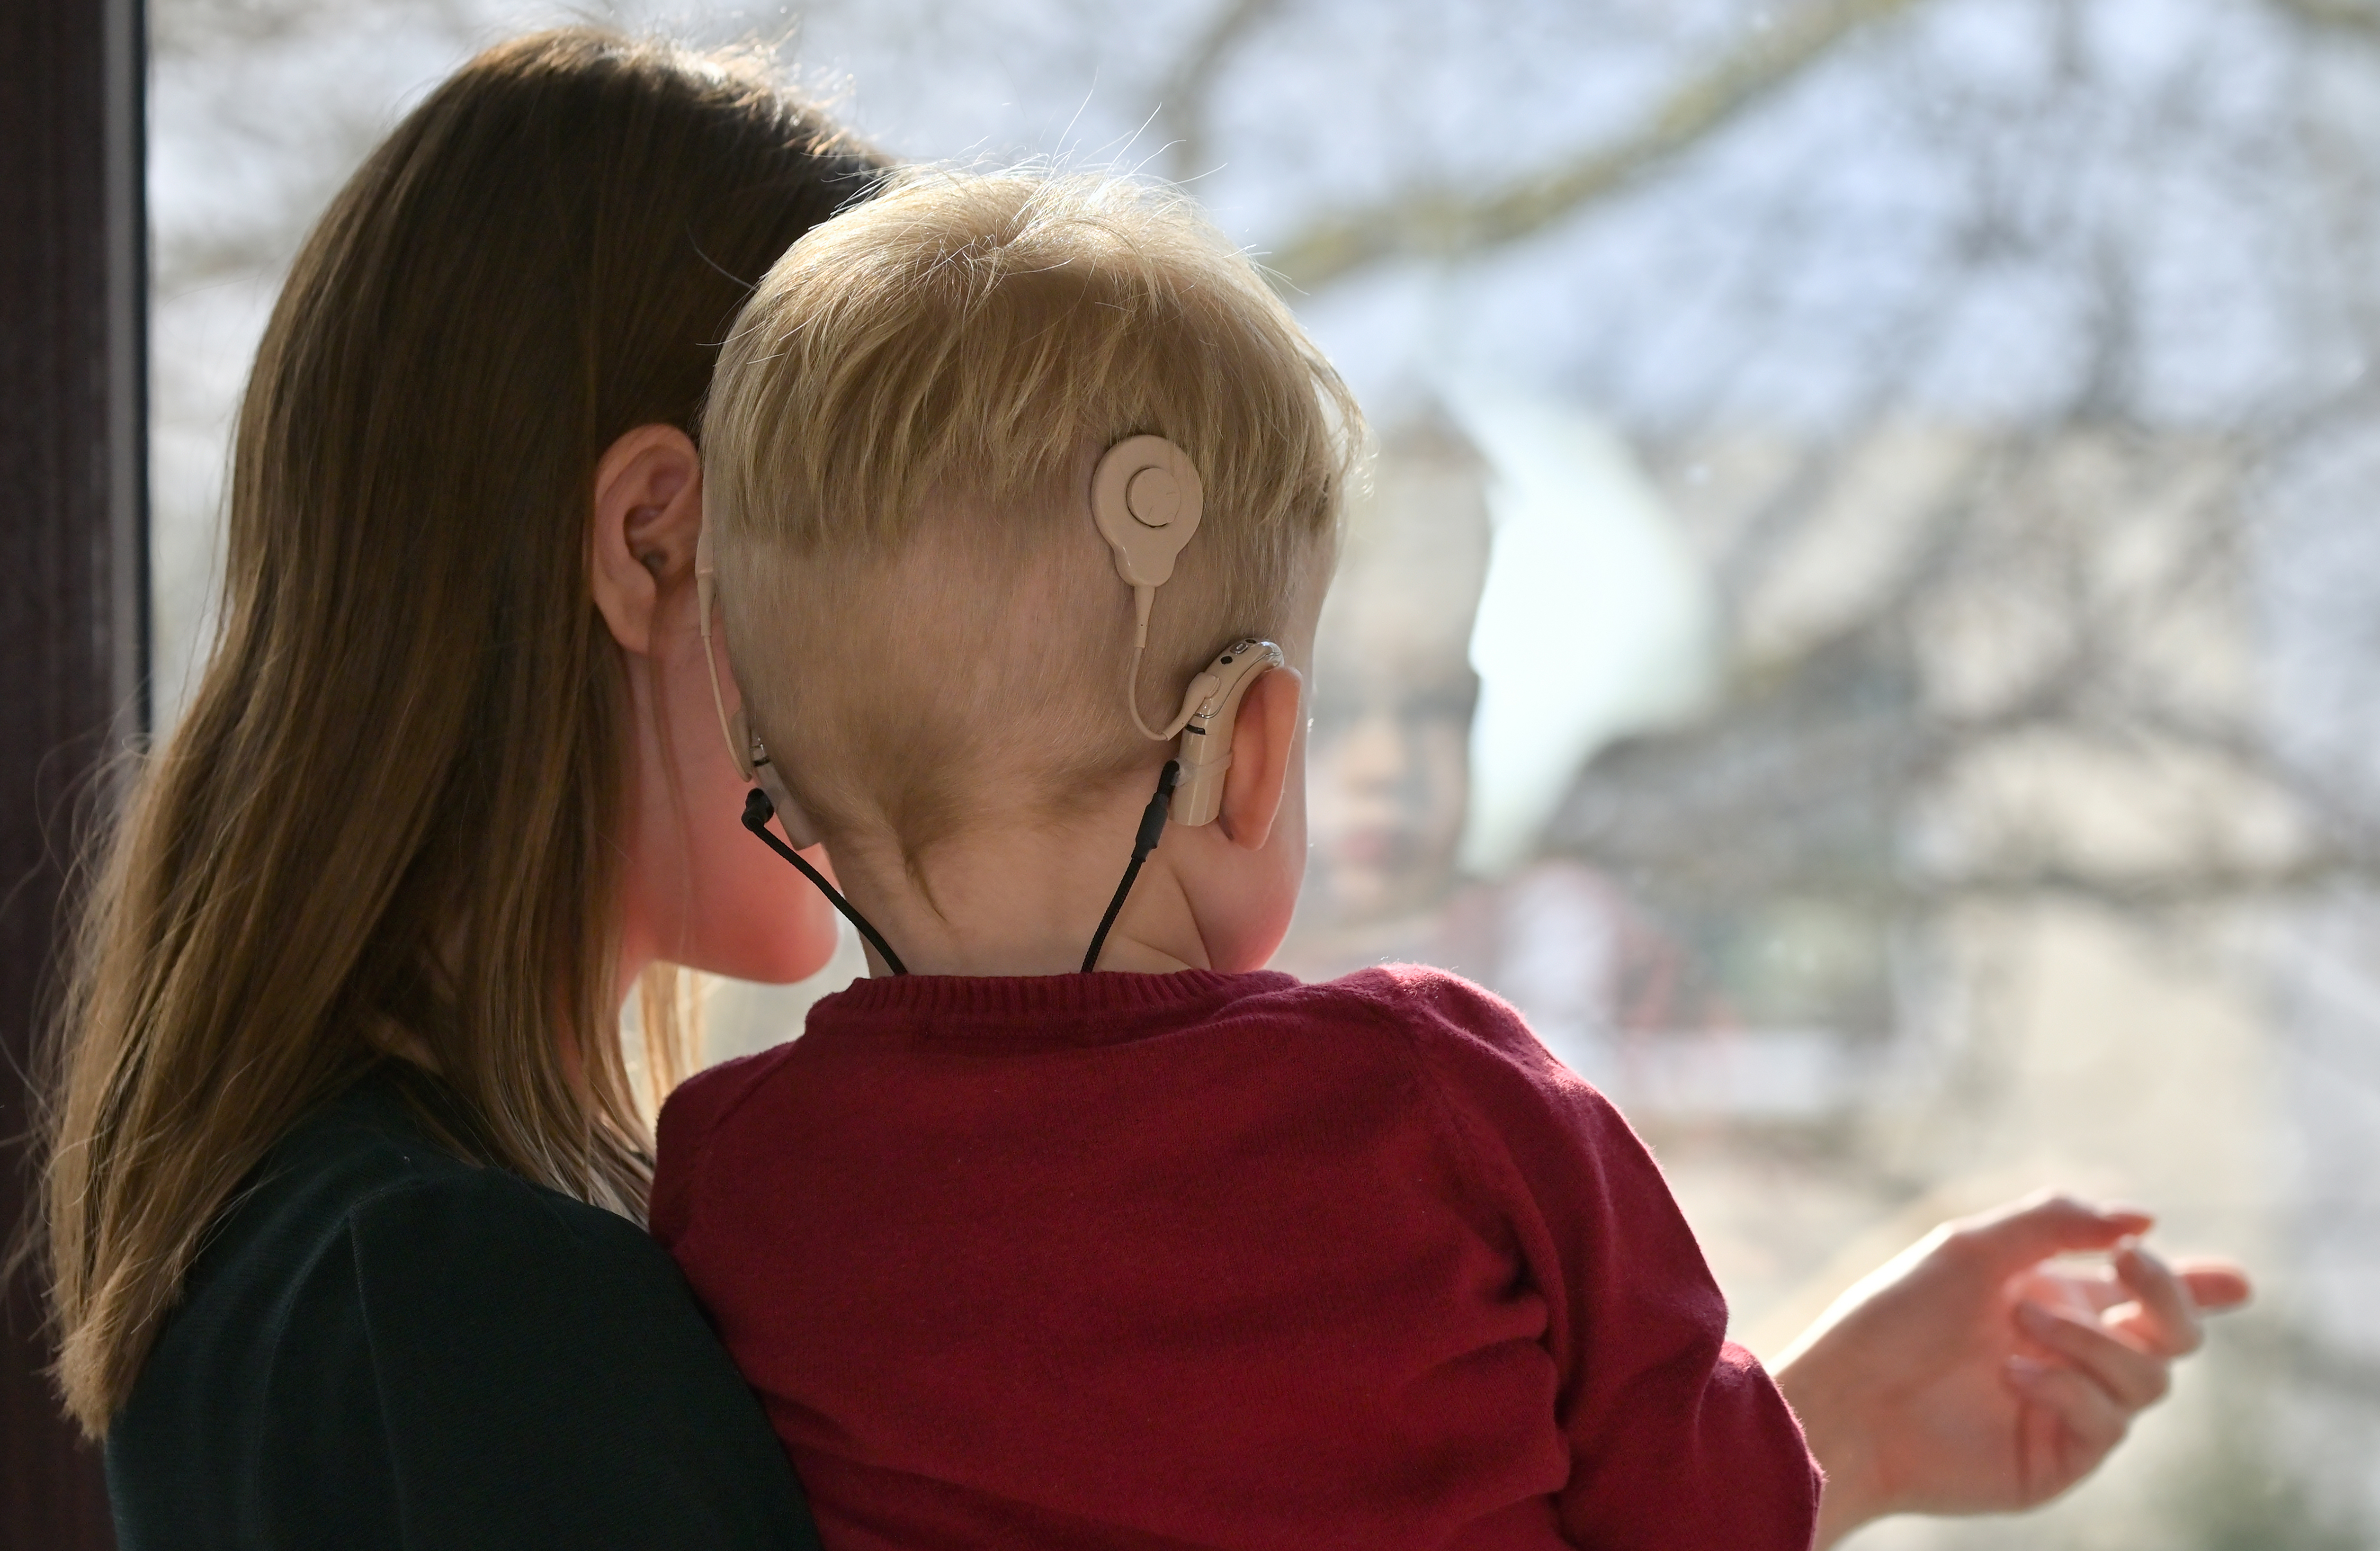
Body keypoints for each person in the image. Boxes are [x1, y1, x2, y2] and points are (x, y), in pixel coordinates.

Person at [657, 165, 2252, 1551]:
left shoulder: (732, 1180)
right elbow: (1703, 1516)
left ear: (772, 771)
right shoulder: (1434, 1095)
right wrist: (1855, 1420)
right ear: (1261, 744)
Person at [38, 30, 884, 1547]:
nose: (919, 678)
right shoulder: (467, 1296)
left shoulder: (329, 1240)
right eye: (877, 557)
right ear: (650, 537)